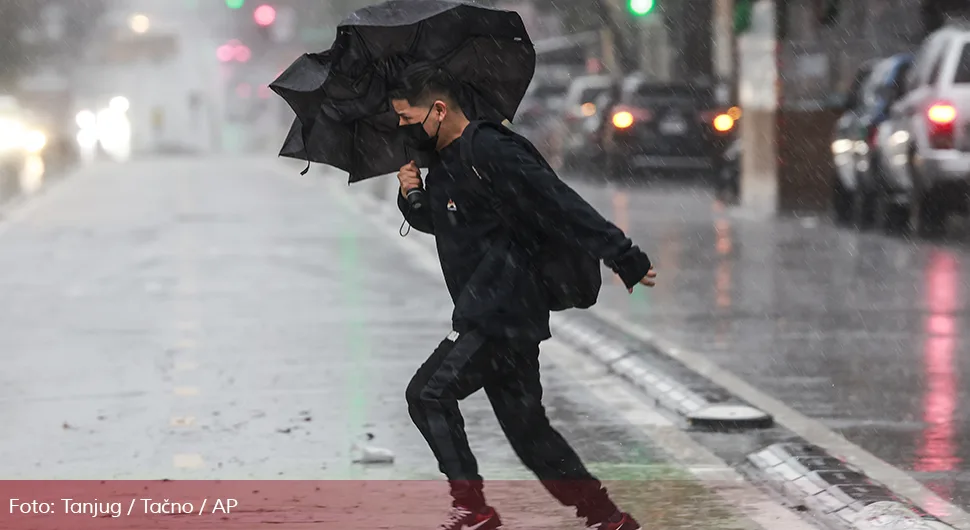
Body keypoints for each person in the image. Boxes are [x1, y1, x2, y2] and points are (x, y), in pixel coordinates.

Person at [388, 63, 656, 530]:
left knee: (428, 396)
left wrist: (623, 255)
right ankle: (606, 517)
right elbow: (450, 223)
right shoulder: (445, 164)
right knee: (529, 431)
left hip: (500, 310)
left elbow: (559, 202)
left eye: (408, 120)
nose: (403, 130)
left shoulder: (490, 149)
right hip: (496, 312)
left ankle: (472, 511)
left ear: (438, 108)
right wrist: (412, 197)